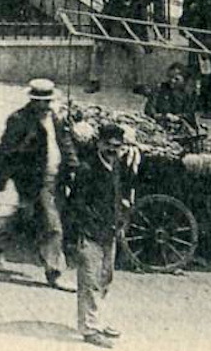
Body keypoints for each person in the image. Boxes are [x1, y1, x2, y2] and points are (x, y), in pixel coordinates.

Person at [0, 79, 77, 291]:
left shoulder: (56, 118)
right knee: (52, 227)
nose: (45, 106)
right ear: (32, 100)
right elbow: (5, 152)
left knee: (25, 220)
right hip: (33, 182)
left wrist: (73, 166)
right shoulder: (19, 120)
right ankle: (55, 273)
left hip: (56, 178)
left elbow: (65, 143)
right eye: (40, 101)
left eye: (48, 101)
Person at [65, 122, 133, 346]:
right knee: (90, 281)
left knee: (105, 278)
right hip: (91, 233)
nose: (113, 150)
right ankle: (89, 328)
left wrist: (120, 217)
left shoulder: (116, 166)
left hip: (109, 233)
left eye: (117, 146)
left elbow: (119, 196)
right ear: (99, 144)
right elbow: (76, 204)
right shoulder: (87, 169)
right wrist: (85, 229)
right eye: (109, 145)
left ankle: (98, 319)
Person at [142, 62, 200, 127]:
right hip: (158, 124)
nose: (172, 81)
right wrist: (160, 116)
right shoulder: (160, 89)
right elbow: (150, 108)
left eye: (176, 79)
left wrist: (176, 117)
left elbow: (190, 114)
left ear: (184, 80)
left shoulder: (189, 94)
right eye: (170, 77)